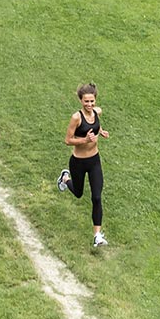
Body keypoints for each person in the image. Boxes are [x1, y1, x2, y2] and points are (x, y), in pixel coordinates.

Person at [55, 82, 109, 246]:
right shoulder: (76, 118)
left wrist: (101, 131)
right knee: (78, 193)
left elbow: (95, 125)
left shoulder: (97, 112)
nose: (90, 104)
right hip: (78, 162)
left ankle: (97, 235)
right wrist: (84, 140)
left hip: (94, 160)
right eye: (86, 101)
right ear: (80, 100)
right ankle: (65, 178)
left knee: (97, 197)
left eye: (92, 101)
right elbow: (67, 140)